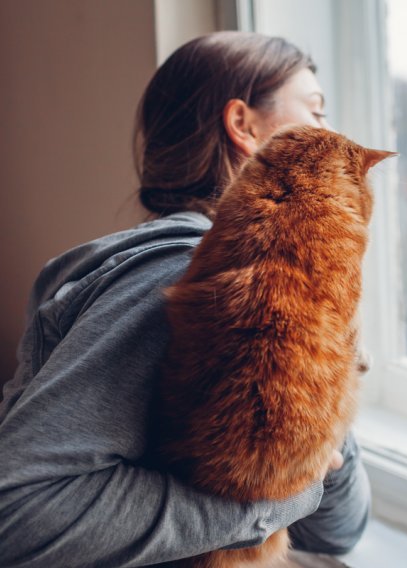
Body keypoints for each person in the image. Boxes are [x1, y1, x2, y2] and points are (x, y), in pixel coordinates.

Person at [0, 32, 370, 567]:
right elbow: (16, 512)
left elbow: (337, 530)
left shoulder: (260, 280)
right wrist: (272, 505)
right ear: (243, 125)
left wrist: (328, 364)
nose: (330, 133)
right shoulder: (180, 277)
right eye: (315, 111)